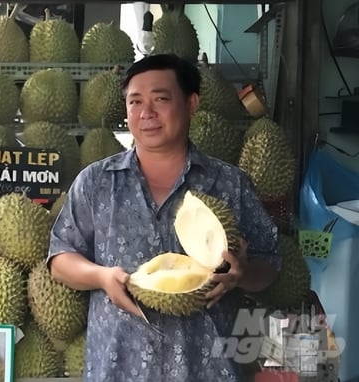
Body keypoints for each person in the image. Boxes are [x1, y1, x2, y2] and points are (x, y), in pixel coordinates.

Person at [47, 53, 281, 381]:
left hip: (206, 370)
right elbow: (60, 258)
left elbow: (269, 267)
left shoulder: (230, 183)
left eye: (160, 99)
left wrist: (241, 274)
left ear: (191, 103)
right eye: (135, 101)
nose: (147, 113)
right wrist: (101, 276)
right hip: (118, 368)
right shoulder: (96, 182)